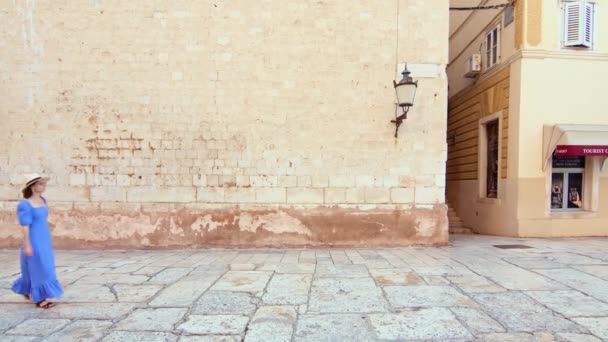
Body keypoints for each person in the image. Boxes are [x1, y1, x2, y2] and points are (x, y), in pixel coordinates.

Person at [11, 174, 63, 308]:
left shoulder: (43, 200)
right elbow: (25, 226)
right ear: (32, 186)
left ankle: (28, 290)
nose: (43, 186)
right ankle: (41, 298)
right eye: (41, 184)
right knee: (40, 267)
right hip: (33, 239)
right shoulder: (25, 204)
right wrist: (27, 244)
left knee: (44, 264)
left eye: (44, 184)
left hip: (44, 237)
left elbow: (42, 219)